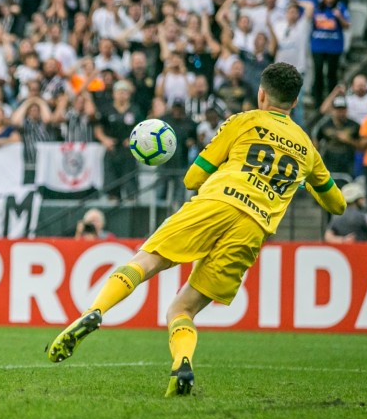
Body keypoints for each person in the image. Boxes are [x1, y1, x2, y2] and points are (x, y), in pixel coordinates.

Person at [46, 64, 346, 396]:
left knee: (146, 262)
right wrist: (307, 181)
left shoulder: (244, 121)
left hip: (216, 203)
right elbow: (337, 205)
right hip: (253, 228)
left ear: (262, 93)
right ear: (296, 99)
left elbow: (192, 178)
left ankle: (94, 312)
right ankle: (181, 366)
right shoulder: (307, 147)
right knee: (182, 309)